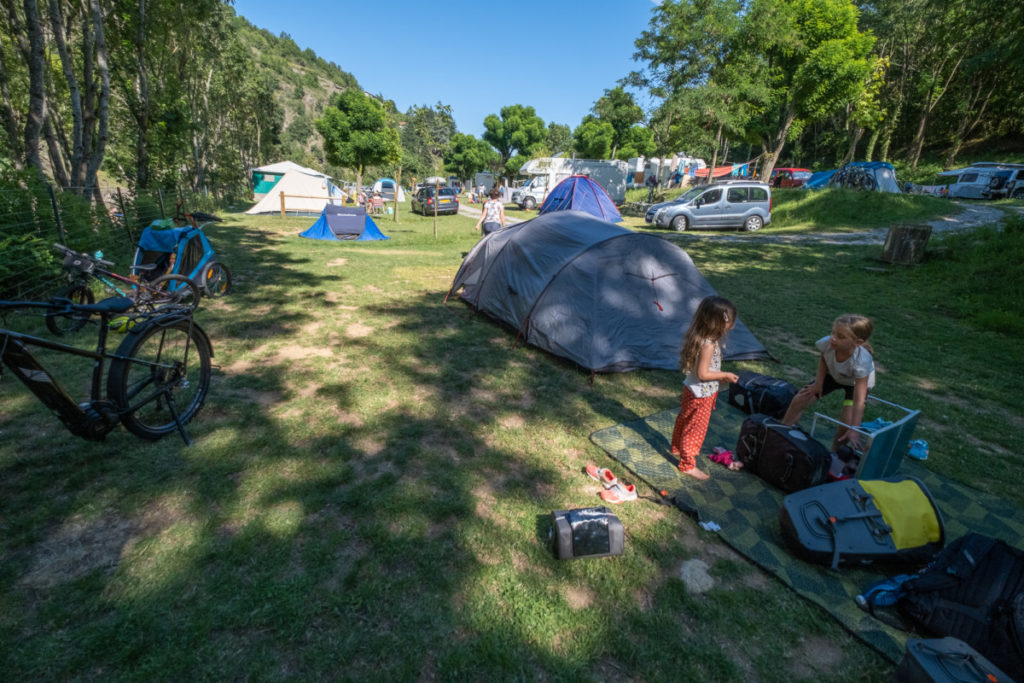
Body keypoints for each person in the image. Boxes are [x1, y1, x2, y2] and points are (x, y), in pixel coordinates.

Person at [781, 314, 875, 450]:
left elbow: (859, 401)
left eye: (841, 336)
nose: (833, 338)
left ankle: (835, 453)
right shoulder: (827, 343)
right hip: (833, 374)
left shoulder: (862, 361)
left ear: (858, 342)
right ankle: (782, 432)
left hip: (854, 385)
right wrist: (818, 383)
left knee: (846, 423)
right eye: (833, 333)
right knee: (800, 399)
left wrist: (854, 429)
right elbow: (824, 358)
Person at [670, 296, 740, 480]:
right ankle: (687, 465)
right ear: (719, 322)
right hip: (702, 395)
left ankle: (677, 448)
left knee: (685, 420)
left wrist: (717, 377)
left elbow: (703, 371)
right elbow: (703, 374)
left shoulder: (701, 337)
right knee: (695, 430)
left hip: (692, 389)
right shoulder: (708, 345)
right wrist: (724, 375)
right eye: (730, 321)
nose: (732, 325)